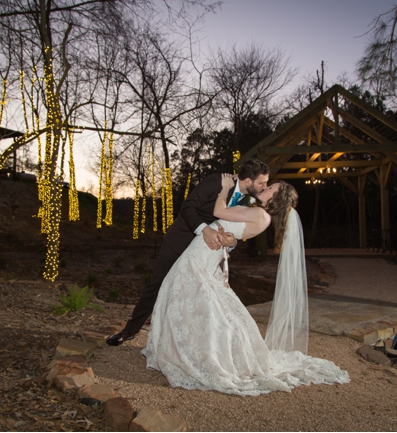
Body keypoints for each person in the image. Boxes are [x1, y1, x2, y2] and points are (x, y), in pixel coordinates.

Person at [141, 174, 350, 395]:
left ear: (275, 198)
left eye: (271, 188)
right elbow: (234, 239)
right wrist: (230, 241)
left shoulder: (260, 214)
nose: (266, 188)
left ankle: (194, 353)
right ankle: (191, 349)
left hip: (201, 255)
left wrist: (225, 188)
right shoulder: (261, 217)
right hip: (207, 253)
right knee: (198, 301)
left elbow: (219, 212)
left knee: (189, 296)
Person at [106, 159, 271, 346]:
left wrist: (232, 243)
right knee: (157, 284)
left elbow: (238, 230)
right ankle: (129, 331)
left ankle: (188, 344)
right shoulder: (217, 182)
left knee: (198, 295)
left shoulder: (250, 200)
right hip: (181, 240)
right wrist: (204, 230)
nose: (264, 187)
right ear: (248, 181)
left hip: (207, 253)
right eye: (262, 183)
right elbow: (188, 206)